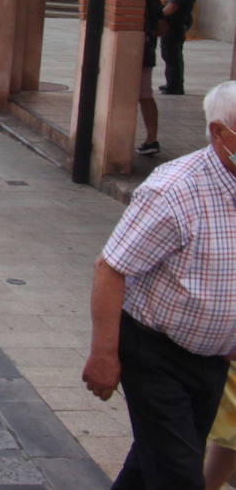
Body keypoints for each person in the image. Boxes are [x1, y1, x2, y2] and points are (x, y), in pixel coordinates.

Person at [82, 81, 236, 490]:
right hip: (155, 354)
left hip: (213, 359)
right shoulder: (174, 191)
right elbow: (110, 268)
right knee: (178, 475)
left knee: (153, 464)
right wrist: (103, 355)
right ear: (220, 133)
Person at [160, 0, 197, 95]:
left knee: (171, 55)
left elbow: (172, 7)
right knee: (174, 55)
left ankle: (174, 87)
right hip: (182, 22)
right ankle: (173, 84)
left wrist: (157, 16)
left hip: (173, 24)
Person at [137, 0, 163, 156]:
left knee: (143, 95)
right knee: (145, 95)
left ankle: (151, 139)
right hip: (146, 54)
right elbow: (163, 28)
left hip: (133, 53)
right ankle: (151, 138)